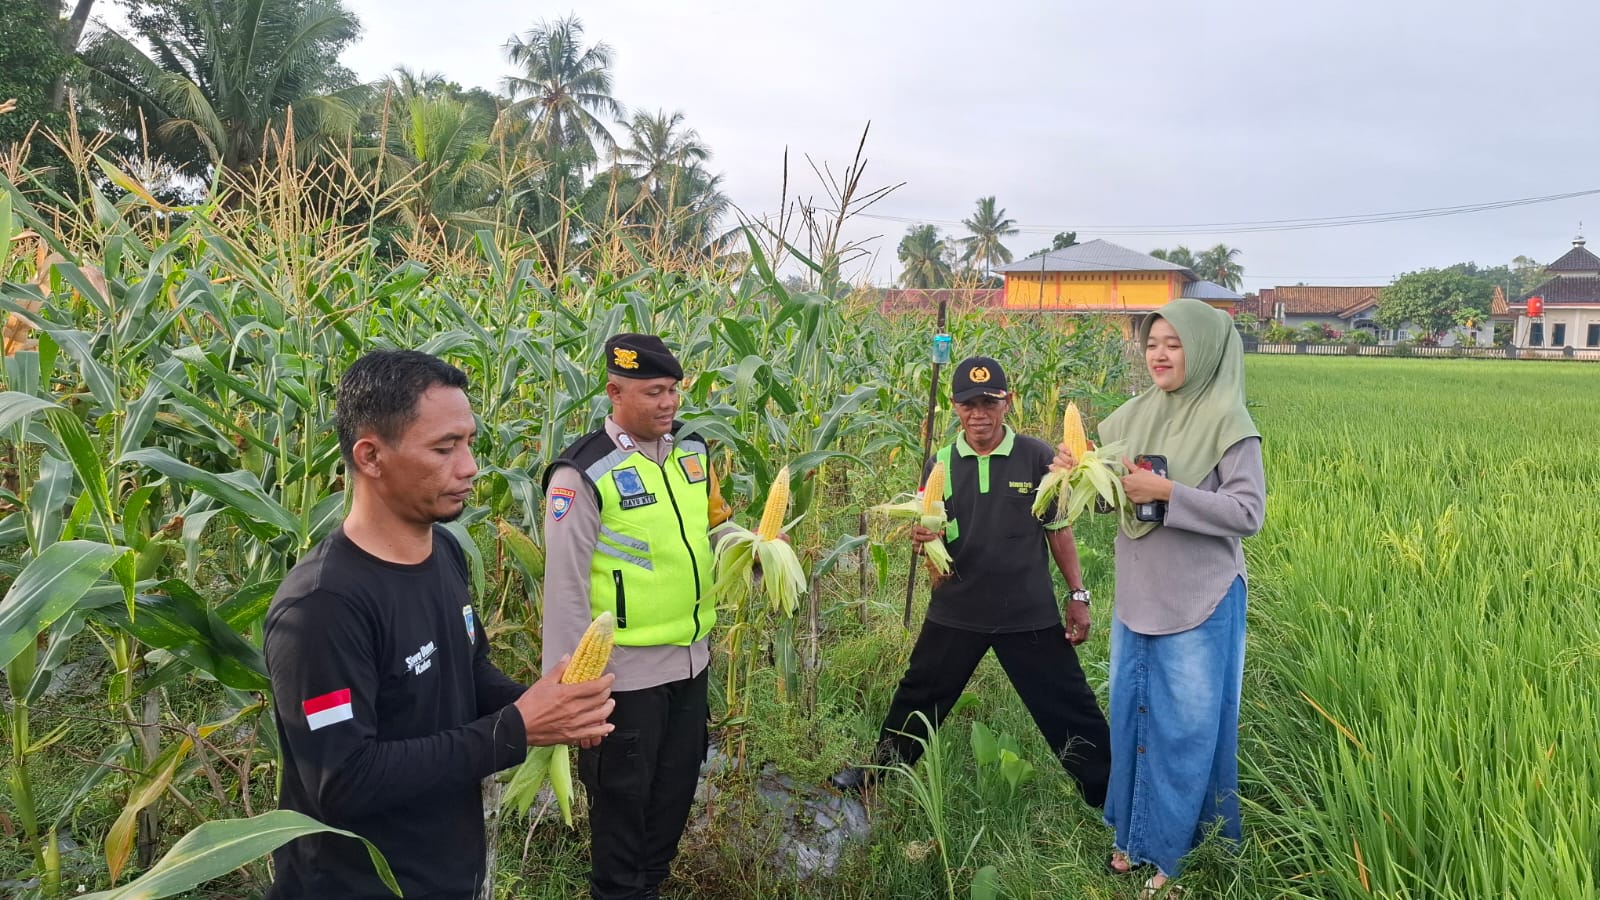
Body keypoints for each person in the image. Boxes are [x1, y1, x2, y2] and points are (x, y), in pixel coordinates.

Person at [264, 350, 617, 899]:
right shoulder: (322, 606)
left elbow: (466, 672)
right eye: (444, 447)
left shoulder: (445, 552)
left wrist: (549, 706)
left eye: (469, 442)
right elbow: (343, 779)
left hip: (449, 873)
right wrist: (516, 728)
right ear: (371, 456)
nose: (470, 466)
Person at [831, 355, 1112, 809]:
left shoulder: (1037, 457)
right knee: (919, 694)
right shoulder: (940, 463)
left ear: (1008, 402)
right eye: (968, 404)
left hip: (1027, 610)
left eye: (989, 403)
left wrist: (1077, 594)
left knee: (1068, 704)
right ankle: (878, 774)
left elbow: (1058, 529)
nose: (978, 414)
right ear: (954, 407)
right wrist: (926, 544)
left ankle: (1109, 793)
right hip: (959, 607)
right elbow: (934, 541)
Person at [1056, 299, 1264, 897]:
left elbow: (1247, 513)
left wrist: (1169, 491)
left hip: (1200, 598)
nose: (1159, 355)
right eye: (1152, 344)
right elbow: (1111, 500)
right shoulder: (1131, 417)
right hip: (1139, 594)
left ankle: (1178, 854)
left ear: (1203, 350)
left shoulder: (1229, 422)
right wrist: (1079, 472)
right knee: (1134, 717)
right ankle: (1135, 835)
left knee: (1188, 731)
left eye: (1174, 344)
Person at [542, 333, 729, 900]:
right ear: (614, 392)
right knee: (622, 816)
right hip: (623, 680)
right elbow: (565, 590)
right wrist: (571, 699)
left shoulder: (692, 451)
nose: (668, 402)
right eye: (653, 392)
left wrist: (751, 550)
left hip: (691, 666)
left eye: (672, 389)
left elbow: (711, 529)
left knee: (671, 804)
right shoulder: (582, 473)